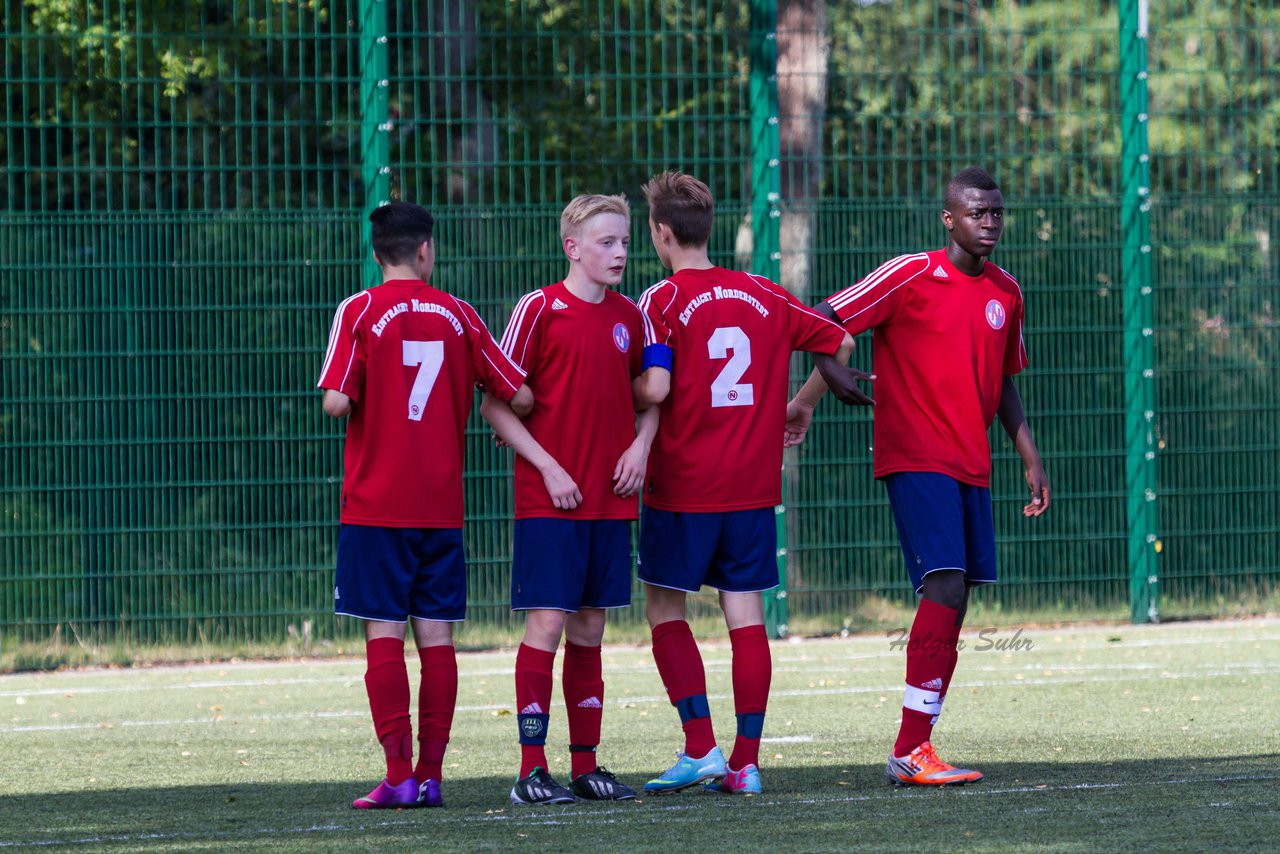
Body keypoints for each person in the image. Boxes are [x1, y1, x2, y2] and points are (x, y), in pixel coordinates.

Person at [786, 166, 1051, 787]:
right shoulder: (909, 273)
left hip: (972, 462)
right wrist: (831, 372)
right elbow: (823, 318)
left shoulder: (1007, 292)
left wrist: (1029, 453)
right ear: (948, 218)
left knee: (957, 600)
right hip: (913, 452)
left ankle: (918, 744)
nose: (988, 223)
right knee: (945, 588)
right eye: (975, 213)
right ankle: (911, 748)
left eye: (996, 213)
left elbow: (1004, 380)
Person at [631, 171, 854, 796]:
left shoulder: (660, 302)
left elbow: (656, 386)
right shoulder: (766, 293)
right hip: (754, 488)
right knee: (746, 616)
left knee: (663, 607)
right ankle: (747, 764)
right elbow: (841, 338)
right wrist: (801, 403)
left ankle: (701, 746)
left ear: (662, 233)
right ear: (710, 229)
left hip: (683, 485)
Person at [317, 201, 533, 810]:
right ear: (426, 251)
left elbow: (335, 402)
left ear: (376, 252)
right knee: (437, 638)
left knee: (384, 635)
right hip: (441, 506)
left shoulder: (358, 310)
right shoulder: (460, 314)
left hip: (376, 505)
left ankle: (398, 775)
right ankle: (433, 775)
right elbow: (517, 393)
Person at [482, 194, 658, 806]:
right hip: (549, 498)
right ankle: (532, 770)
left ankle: (586, 765)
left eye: (625, 242)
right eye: (606, 243)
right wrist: (549, 466)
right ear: (572, 248)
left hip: (609, 500)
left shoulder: (631, 317)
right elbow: (496, 402)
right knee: (549, 623)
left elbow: (652, 395)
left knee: (590, 628)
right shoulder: (538, 309)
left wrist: (640, 447)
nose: (619, 253)